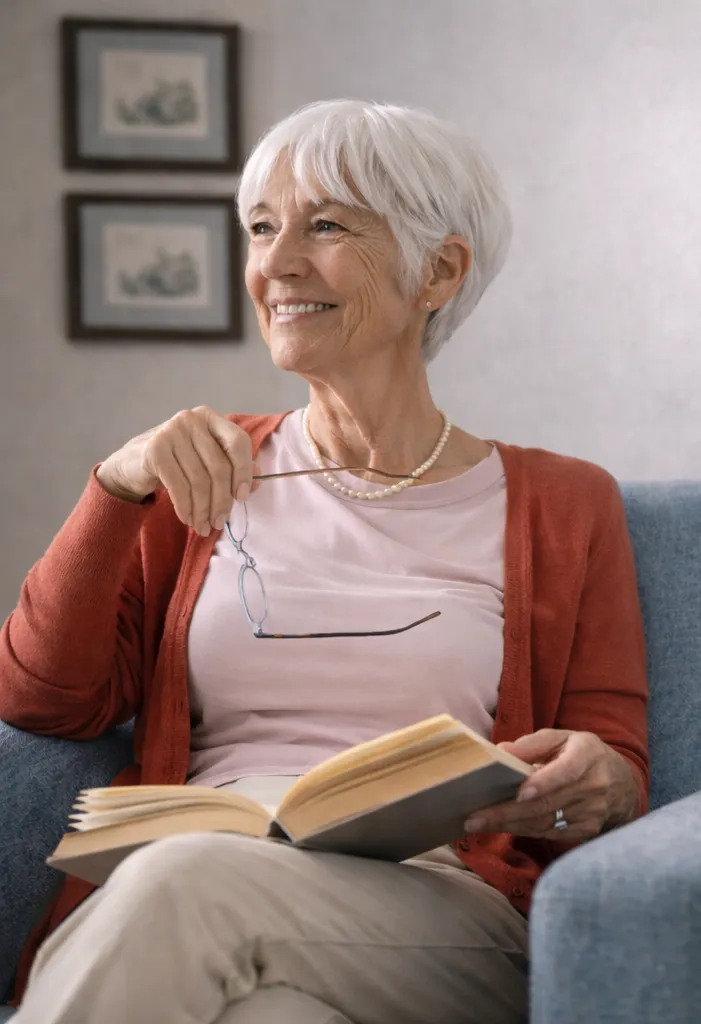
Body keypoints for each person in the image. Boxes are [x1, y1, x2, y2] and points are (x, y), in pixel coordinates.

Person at [0, 99, 649, 1024]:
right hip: (208, 885)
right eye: (262, 228)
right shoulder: (200, 475)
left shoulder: (565, 503)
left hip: (435, 910)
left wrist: (597, 782)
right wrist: (116, 485)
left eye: (327, 224)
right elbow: (41, 701)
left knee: (185, 887)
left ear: (441, 270)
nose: (277, 263)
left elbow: (613, 764)